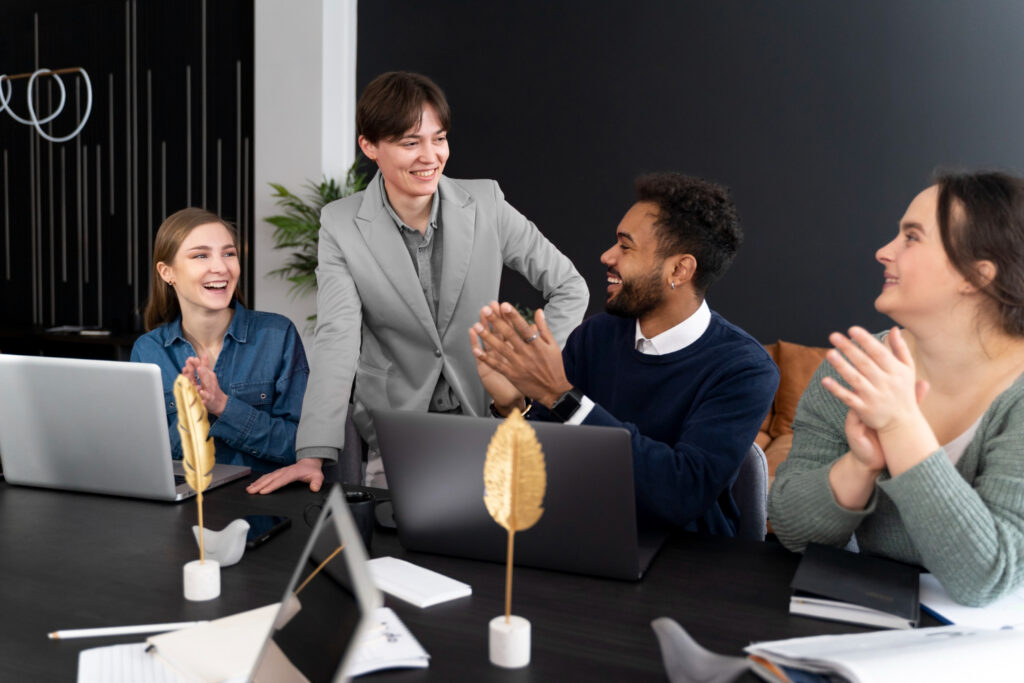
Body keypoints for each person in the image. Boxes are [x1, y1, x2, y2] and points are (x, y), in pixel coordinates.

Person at [247, 71, 588, 493]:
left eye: (439, 138)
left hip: (485, 421)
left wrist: (522, 368)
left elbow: (570, 286)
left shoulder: (486, 202)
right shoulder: (340, 223)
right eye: (411, 142)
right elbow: (338, 337)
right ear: (370, 146)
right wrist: (312, 453)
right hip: (395, 432)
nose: (431, 156)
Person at [470, 172, 779, 535]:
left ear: (679, 269)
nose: (606, 256)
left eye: (625, 246)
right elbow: (540, 460)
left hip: (685, 565)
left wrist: (560, 396)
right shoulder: (596, 335)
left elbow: (682, 492)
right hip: (581, 536)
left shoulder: (744, 369)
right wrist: (511, 403)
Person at [768, 172, 1024, 607]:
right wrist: (861, 464)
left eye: (912, 237)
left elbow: (986, 577)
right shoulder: (858, 366)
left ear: (976, 276)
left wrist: (902, 427)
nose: (883, 251)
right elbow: (791, 529)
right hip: (879, 620)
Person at [131, 208, 309, 473]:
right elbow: (142, 456)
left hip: (260, 508)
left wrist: (224, 407)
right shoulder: (149, 351)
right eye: (201, 255)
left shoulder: (277, 335)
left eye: (229, 253)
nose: (221, 267)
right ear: (167, 272)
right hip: (186, 509)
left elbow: (301, 447)